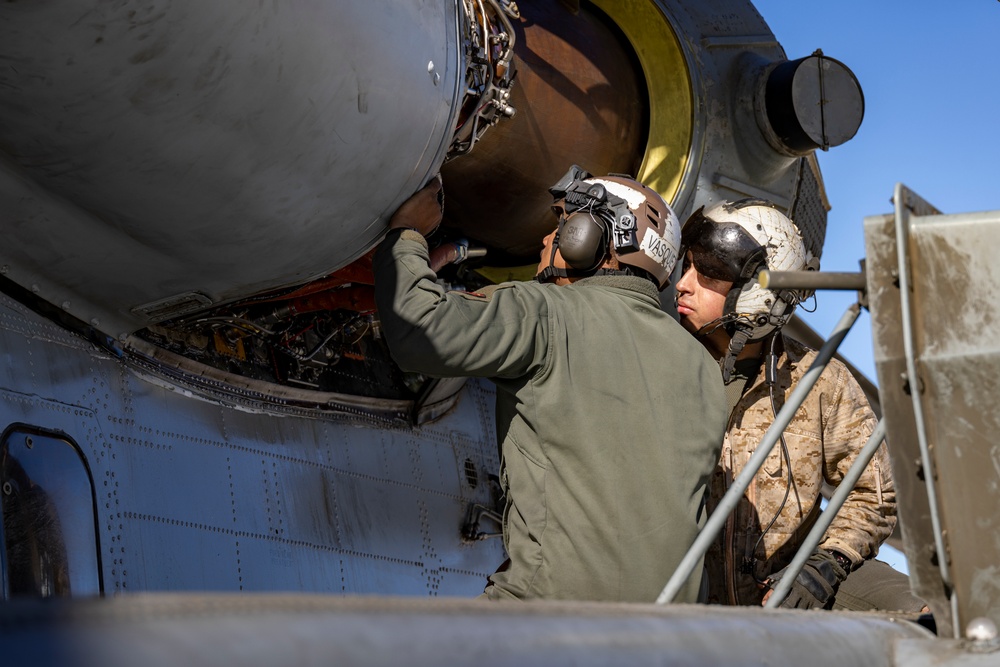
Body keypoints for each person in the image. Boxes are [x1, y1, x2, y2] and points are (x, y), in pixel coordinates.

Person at [373, 166, 728, 603]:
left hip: (548, 622)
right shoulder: (705, 367)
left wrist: (408, 235)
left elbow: (418, 329)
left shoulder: (546, 311)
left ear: (589, 237)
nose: (546, 241)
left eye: (560, 226)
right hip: (665, 635)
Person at [674, 198, 926, 612]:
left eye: (708, 273)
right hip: (688, 595)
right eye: (686, 266)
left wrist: (824, 566)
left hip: (791, 582)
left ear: (758, 290)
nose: (683, 283)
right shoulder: (657, 366)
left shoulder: (820, 379)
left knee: (924, 614)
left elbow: (874, 494)